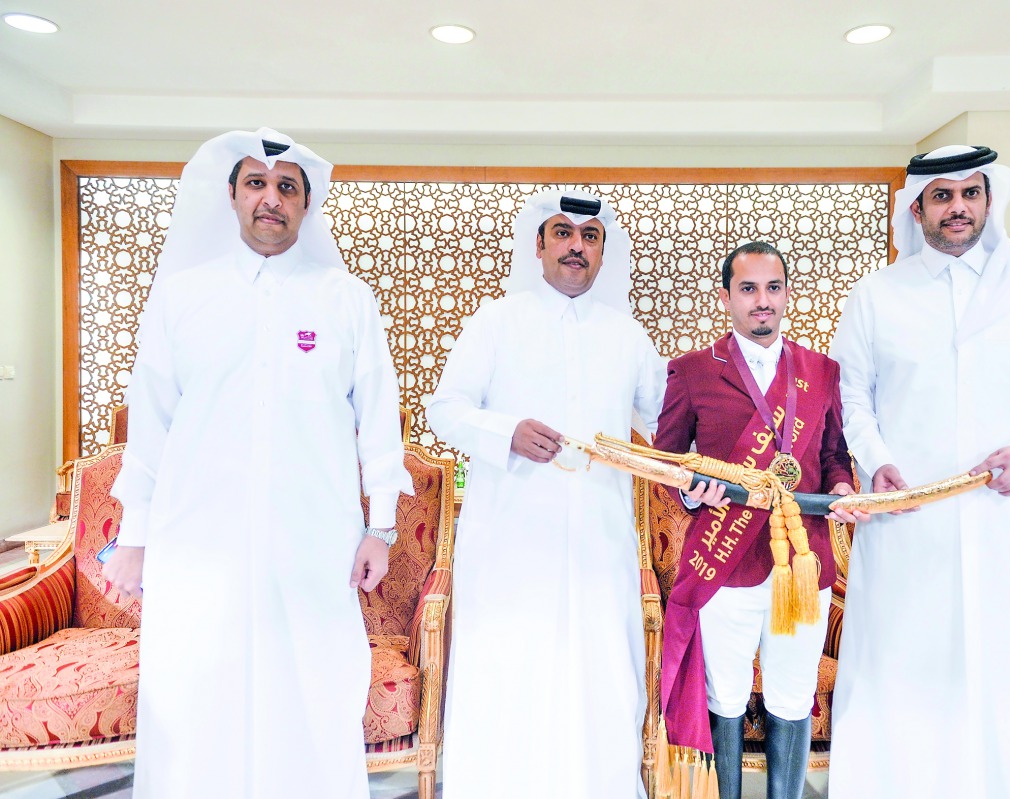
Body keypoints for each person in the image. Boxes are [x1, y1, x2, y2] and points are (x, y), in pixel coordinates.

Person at [102, 128, 413, 799]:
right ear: (233, 196)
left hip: (313, 540)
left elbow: (379, 419)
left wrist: (380, 527)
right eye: (256, 184)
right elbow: (149, 422)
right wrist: (134, 536)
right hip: (197, 540)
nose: (271, 198)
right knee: (197, 693)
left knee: (311, 691)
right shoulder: (183, 297)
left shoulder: (345, 298)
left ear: (306, 204)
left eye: (286, 187)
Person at [828, 145, 1010, 798]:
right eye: (943, 195)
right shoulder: (876, 295)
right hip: (905, 526)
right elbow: (850, 398)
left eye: (970, 194)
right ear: (917, 206)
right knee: (899, 666)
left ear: (988, 200)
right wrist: (878, 460)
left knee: (996, 668)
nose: (958, 207)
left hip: (997, 520)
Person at [426, 190, 666, 798]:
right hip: (512, 537)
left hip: (598, 539)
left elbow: (670, 420)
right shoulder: (496, 322)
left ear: (604, 253)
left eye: (589, 239)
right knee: (512, 668)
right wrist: (506, 431)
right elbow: (445, 411)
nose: (575, 248)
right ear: (538, 247)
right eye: (562, 234)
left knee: (600, 672)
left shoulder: (627, 335)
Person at [654, 241, 866, 799]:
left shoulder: (822, 372)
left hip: (802, 564)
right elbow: (667, 460)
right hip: (725, 565)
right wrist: (693, 495)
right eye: (748, 289)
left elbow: (834, 454)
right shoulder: (693, 370)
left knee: (793, 696)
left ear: (787, 293)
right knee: (724, 695)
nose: (762, 301)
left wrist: (842, 485)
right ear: (726, 297)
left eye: (773, 288)